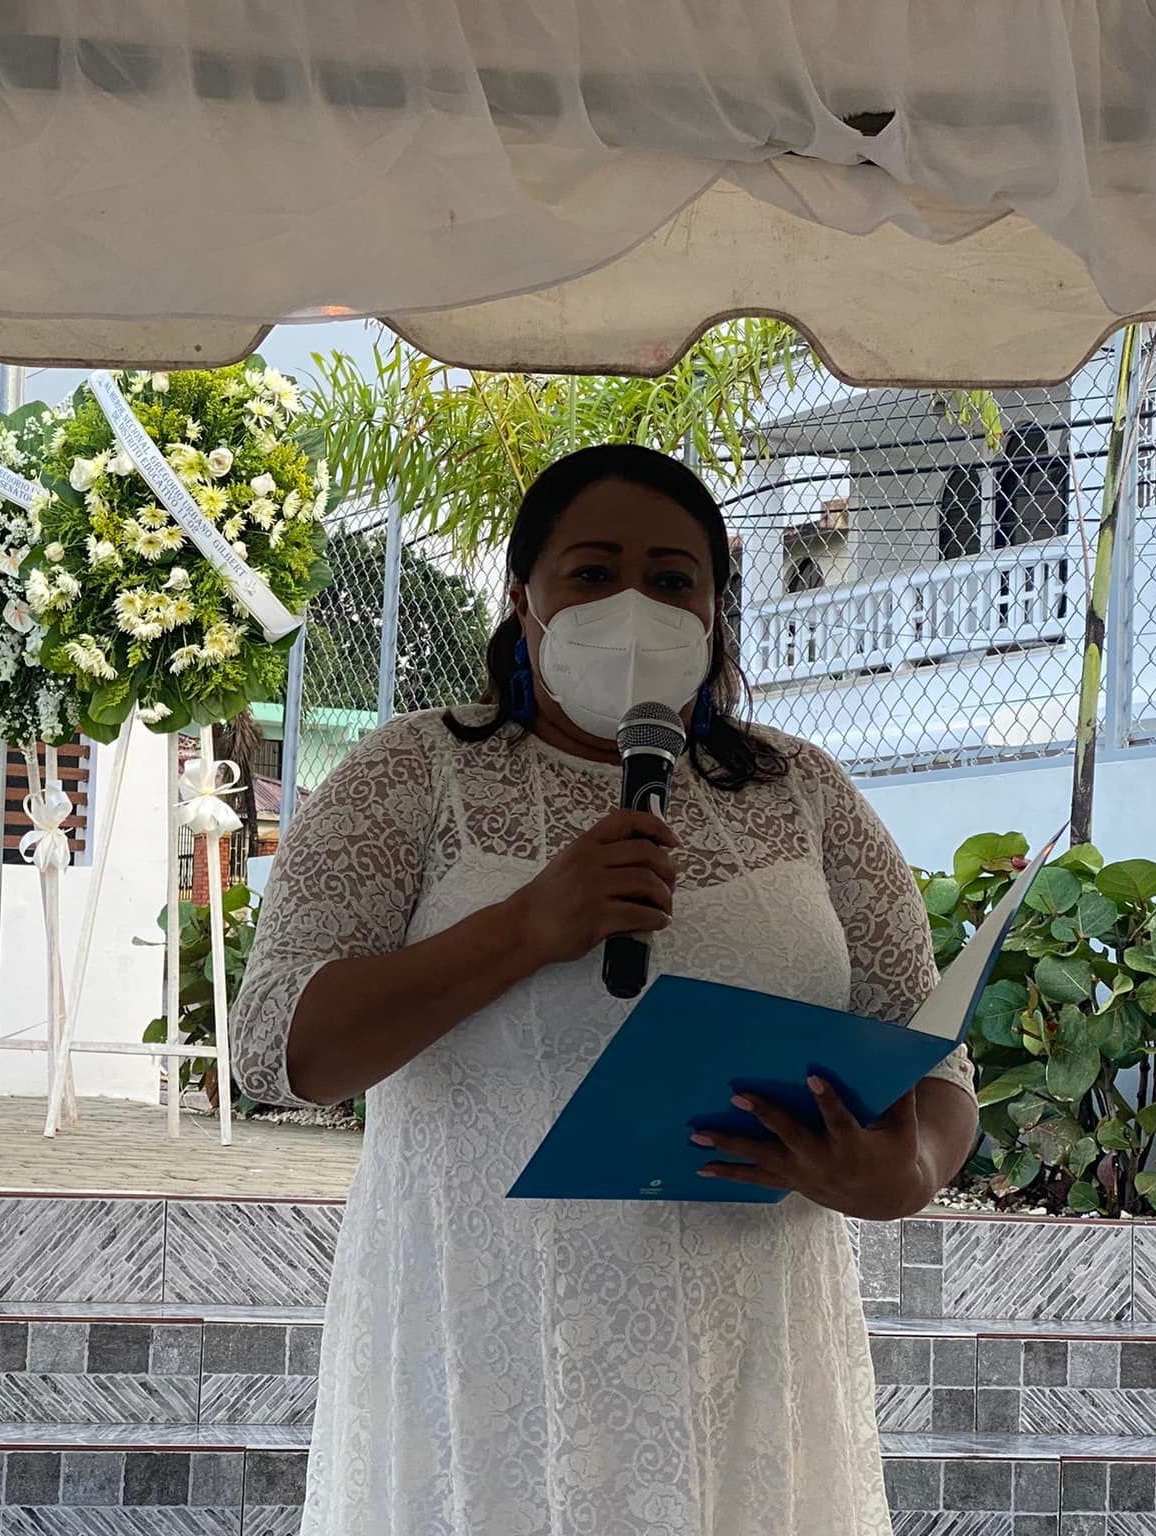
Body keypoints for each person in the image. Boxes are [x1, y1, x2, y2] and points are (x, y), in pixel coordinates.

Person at [233, 444, 978, 1536]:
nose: (632, 605)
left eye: (671, 579)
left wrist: (905, 1170)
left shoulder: (803, 792)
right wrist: (527, 927)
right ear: (520, 600)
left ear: (718, 610)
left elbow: (934, 1061)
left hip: (749, 1360)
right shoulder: (413, 772)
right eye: (590, 573)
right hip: (489, 1348)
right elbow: (278, 1055)